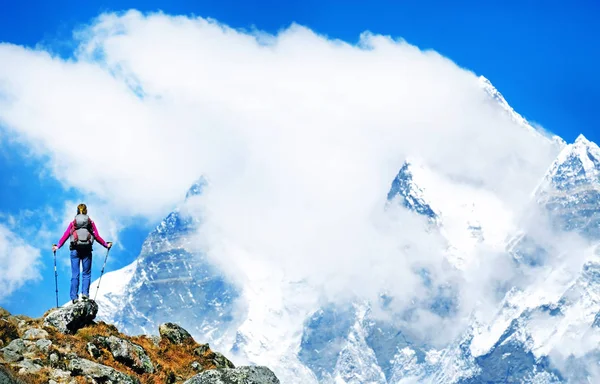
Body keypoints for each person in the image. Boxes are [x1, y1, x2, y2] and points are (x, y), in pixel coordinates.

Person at [53, 203, 112, 304]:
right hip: (87, 250)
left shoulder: (73, 223)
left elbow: (65, 236)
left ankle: (74, 297)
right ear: (86, 211)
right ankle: (85, 294)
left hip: (74, 250)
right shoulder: (90, 223)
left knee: (75, 274)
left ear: (77, 211)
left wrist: (57, 246)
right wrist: (105, 245)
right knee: (86, 274)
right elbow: (96, 236)